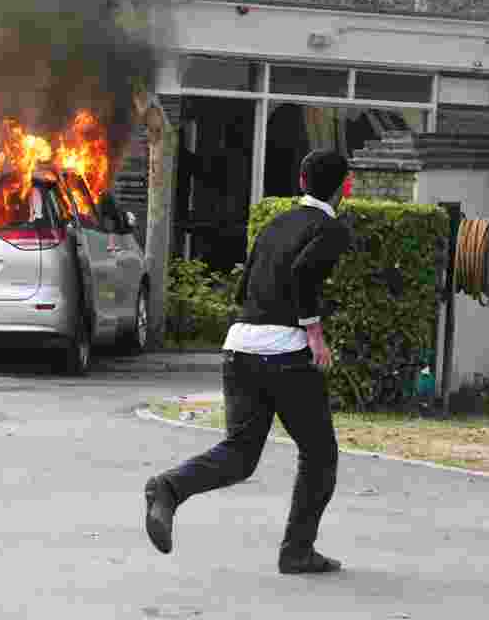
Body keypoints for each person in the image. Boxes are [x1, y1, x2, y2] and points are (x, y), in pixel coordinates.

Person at [144, 149, 353, 574]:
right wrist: (315, 335)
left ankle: (168, 488)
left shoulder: (275, 224)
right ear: (344, 187)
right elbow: (303, 272)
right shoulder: (330, 228)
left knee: (240, 454)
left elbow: (244, 292)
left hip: (239, 346)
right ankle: (297, 551)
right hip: (287, 354)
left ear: (301, 180)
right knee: (320, 455)